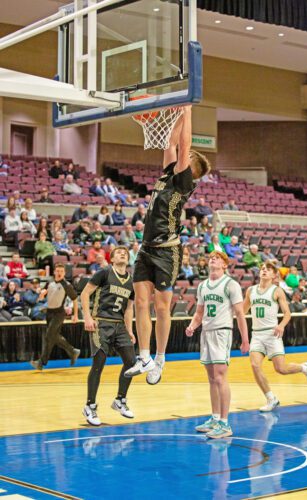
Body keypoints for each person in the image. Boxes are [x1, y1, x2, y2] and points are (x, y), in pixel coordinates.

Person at [125, 106, 211, 383]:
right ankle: (144, 356)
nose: (179, 158)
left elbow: (184, 144)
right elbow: (171, 143)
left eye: (186, 159)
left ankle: (160, 359)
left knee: (161, 308)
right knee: (140, 301)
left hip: (167, 250)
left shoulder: (184, 181)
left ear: (191, 168)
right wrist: (175, 116)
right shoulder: (166, 175)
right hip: (147, 247)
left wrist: (187, 110)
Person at [185, 251, 249, 438]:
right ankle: (214, 418)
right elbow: (199, 314)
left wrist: (245, 339)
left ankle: (225, 423)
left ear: (224, 265)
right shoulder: (203, 285)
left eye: (217, 257)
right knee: (212, 378)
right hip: (206, 332)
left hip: (222, 332)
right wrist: (192, 326)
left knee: (220, 376)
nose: (212, 258)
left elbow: (239, 313)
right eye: (211, 257)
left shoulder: (231, 284)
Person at [243, 261, 307, 412]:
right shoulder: (250, 291)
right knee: (254, 365)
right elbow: (242, 311)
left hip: (272, 333)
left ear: (273, 275)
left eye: (268, 270)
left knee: (281, 369)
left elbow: (287, 314)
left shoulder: (277, 291)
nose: (264, 271)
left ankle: (305, 368)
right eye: (263, 268)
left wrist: (281, 325)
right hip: (256, 334)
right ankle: (271, 399)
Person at [81, 246, 136, 425]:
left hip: (119, 325)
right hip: (101, 322)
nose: (123, 254)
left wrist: (129, 330)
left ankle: (120, 400)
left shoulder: (131, 281)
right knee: (99, 363)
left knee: (131, 362)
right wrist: (88, 317)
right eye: (119, 252)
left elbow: (128, 308)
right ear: (112, 259)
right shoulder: (104, 273)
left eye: (126, 253)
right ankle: (90, 406)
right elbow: (85, 293)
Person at [30, 263, 80, 370]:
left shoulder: (67, 285)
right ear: (54, 272)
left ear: (64, 273)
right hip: (49, 313)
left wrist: (75, 315)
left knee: (49, 336)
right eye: (58, 271)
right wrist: (42, 293)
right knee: (51, 338)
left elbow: (75, 300)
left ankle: (41, 362)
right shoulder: (50, 283)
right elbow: (43, 292)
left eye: (61, 271)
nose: (59, 273)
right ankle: (73, 351)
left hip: (59, 313)